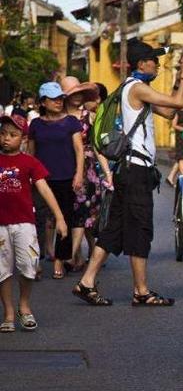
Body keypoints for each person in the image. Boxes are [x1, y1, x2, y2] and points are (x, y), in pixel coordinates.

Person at [72, 39, 183, 307]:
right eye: (154, 61)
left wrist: (176, 82)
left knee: (114, 227)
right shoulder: (137, 88)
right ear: (141, 64)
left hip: (128, 169)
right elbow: (179, 102)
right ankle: (141, 290)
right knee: (140, 228)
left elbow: (169, 110)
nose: (158, 65)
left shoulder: (135, 88)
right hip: (135, 170)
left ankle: (87, 282)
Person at [0, 115, 68, 332]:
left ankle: (24, 305)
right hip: (1, 225)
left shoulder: (30, 162)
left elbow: (44, 189)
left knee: (28, 266)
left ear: (23, 138)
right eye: (2, 133)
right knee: (2, 270)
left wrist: (59, 217)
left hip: (24, 224)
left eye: (12, 134)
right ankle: (9, 312)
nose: (6, 139)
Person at [28, 82, 84, 279]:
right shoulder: (35, 124)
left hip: (66, 177)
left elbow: (79, 149)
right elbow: (31, 153)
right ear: (43, 102)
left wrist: (79, 174)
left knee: (64, 219)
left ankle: (60, 259)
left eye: (60, 98)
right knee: (38, 221)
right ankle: (36, 261)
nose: (59, 102)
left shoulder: (71, 122)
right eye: (53, 99)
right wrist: (28, 175)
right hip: (41, 179)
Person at [61, 76, 111, 273]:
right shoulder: (58, 116)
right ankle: (87, 252)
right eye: (72, 92)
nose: (76, 96)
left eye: (80, 92)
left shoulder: (89, 116)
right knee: (77, 215)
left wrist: (107, 172)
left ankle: (72, 256)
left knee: (83, 213)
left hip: (87, 170)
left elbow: (98, 148)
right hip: (64, 167)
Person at [166, 103, 183, 187]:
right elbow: (174, 125)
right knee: (182, 157)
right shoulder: (176, 112)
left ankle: (170, 177)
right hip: (180, 135)